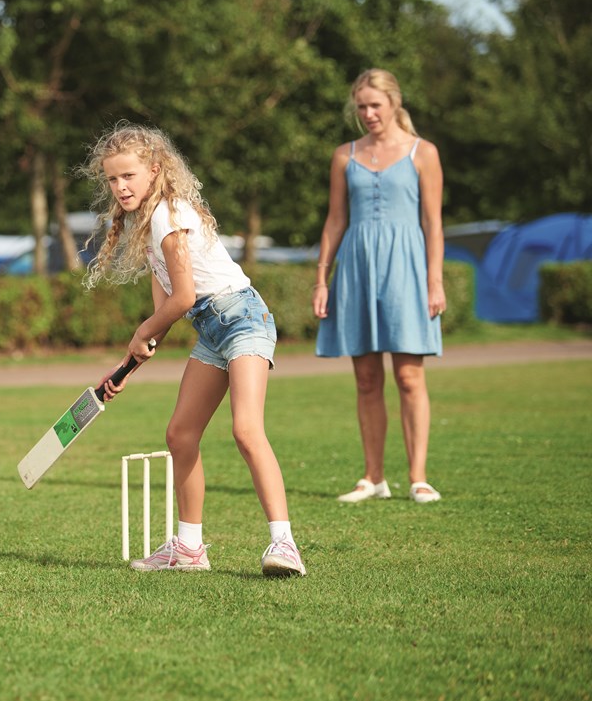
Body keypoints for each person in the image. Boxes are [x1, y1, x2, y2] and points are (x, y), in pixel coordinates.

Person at [81, 122, 305, 577]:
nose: (120, 186)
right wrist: (129, 361)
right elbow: (166, 307)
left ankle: (284, 543)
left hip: (242, 319)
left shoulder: (169, 213)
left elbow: (183, 299)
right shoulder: (147, 227)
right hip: (212, 331)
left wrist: (143, 330)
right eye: (112, 179)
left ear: (155, 170)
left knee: (245, 429)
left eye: (129, 176)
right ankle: (188, 549)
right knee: (180, 435)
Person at [313, 68, 445, 504]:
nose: (368, 113)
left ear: (394, 103)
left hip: (407, 268)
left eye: (376, 105)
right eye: (362, 106)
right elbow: (335, 220)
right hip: (356, 267)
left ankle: (419, 477)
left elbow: (432, 222)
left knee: (409, 376)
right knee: (366, 379)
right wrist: (322, 279)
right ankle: (373, 478)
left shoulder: (423, 153)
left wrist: (435, 280)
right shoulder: (343, 156)